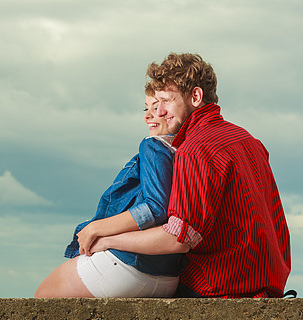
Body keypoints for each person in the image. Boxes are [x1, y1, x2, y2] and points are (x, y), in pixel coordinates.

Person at [85, 53, 291, 298]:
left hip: (221, 286)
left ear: (195, 96)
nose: (159, 111)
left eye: (166, 101)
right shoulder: (248, 140)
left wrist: (108, 239)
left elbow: (177, 239)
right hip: (268, 283)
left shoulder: (194, 149)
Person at [34, 95, 187, 298]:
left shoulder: (154, 145)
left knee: (43, 297)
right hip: (169, 278)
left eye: (157, 106)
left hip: (127, 268)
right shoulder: (188, 151)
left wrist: (95, 229)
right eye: (146, 108)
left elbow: (155, 208)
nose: (149, 115)